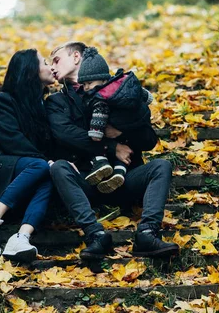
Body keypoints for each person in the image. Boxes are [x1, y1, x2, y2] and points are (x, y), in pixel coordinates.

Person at [46, 41, 179, 259]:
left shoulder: (119, 92)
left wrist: (124, 127)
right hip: (87, 181)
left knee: (161, 166)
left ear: (76, 57)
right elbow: (65, 134)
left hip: (126, 179)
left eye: (57, 60)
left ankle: (147, 234)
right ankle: (96, 235)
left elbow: (148, 141)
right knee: (59, 168)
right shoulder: (56, 102)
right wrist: (111, 146)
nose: (52, 67)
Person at [0, 49, 55, 263]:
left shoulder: (45, 104)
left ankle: (21, 237)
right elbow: (11, 139)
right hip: (1, 163)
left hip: (30, 167)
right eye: (45, 62)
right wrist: (44, 161)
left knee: (49, 174)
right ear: (31, 70)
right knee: (42, 167)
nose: (51, 66)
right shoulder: (5, 100)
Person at [77, 47, 154, 194]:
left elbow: (99, 118)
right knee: (123, 152)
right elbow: (141, 94)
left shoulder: (99, 97)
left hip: (118, 137)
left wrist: (97, 133)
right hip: (125, 144)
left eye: (89, 83)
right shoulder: (122, 85)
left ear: (104, 79)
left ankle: (101, 163)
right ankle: (118, 173)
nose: (86, 88)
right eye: (84, 84)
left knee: (98, 141)